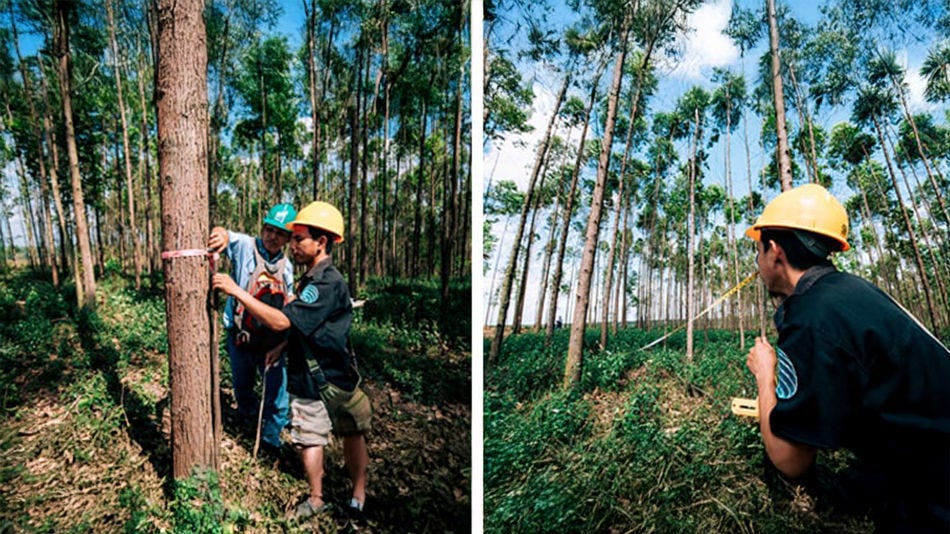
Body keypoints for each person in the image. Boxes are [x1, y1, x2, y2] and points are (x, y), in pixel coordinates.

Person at [744, 183, 950, 532]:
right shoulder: (851, 290)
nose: (758, 264)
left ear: (775, 251)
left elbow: (789, 460)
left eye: (758, 252)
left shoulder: (812, 317)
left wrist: (765, 374)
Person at [212, 201, 372, 524]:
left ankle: (357, 494)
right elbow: (306, 325)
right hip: (316, 377)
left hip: (331, 376)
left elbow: (284, 320)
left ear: (321, 242)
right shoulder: (310, 278)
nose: (291, 244)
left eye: (298, 238)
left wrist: (235, 291)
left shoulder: (326, 283)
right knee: (313, 437)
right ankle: (317, 497)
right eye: (291, 237)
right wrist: (283, 346)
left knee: (351, 432)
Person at [207, 203, 296, 456]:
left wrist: (283, 342)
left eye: (280, 233)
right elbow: (225, 234)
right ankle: (248, 421)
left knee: (277, 394)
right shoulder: (246, 246)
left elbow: (288, 302)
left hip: (271, 342)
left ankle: (270, 439)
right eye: (269, 229)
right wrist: (219, 235)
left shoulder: (287, 267)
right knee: (242, 386)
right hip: (241, 338)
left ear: (288, 239)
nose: (272, 236)